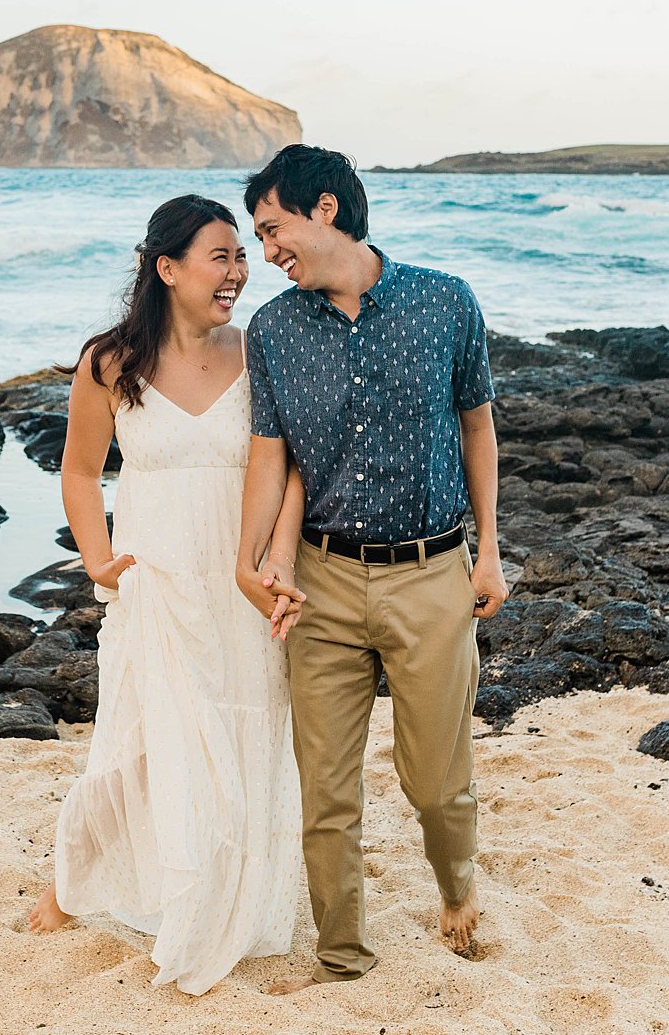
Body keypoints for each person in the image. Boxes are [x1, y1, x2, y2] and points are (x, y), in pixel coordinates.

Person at [233, 144, 505, 991]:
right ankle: (343, 956)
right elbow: (270, 457)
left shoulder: (444, 301)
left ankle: (457, 886)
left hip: (432, 574)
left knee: (437, 781)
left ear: (323, 209)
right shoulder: (273, 331)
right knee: (327, 793)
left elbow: (477, 426)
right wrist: (254, 561)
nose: (266, 251)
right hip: (321, 581)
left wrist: (490, 545)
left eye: (272, 227)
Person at [27, 193, 307, 996]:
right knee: (139, 737)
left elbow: (290, 466)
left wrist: (273, 561)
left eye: (242, 256)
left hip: (243, 575)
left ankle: (228, 896)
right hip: (156, 579)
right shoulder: (110, 362)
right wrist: (97, 558)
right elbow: (79, 470)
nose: (238, 272)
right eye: (220, 257)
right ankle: (73, 882)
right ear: (167, 267)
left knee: (247, 727)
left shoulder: (262, 350)